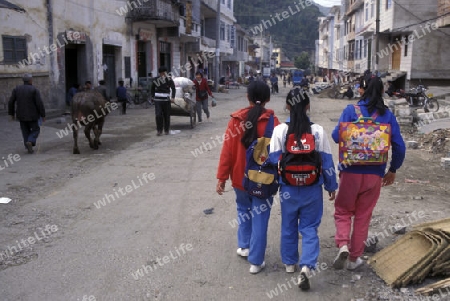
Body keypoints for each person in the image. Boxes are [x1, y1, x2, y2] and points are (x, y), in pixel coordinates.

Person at [331, 77, 406, 271]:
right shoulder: (387, 115)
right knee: (363, 215)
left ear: (362, 90)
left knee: (343, 210)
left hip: (350, 172)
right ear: (382, 92)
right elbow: (399, 147)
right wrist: (393, 169)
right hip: (374, 174)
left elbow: (335, 136)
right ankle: (355, 258)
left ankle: (343, 244)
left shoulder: (350, 111)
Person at [268, 87, 337, 290]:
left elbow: (273, 161)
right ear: (308, 106)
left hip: (288, 188)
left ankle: (290, 263)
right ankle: (307, 266)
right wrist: (331, 186)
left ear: (287, 106)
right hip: (312, 188)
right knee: (309, 228)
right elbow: (326, 162)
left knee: (288, 225)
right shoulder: (317, 131)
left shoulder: (280, 130)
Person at [216, 81, 280, 274]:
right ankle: (256, 261)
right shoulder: (273, 123)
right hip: (263, 179)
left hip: (239, 178)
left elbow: (227, 151)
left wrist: (221, 177)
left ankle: (244, 246)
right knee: (260, 216)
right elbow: (279, 154)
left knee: (243, 209)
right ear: (268, 99)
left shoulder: (236, 120)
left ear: (247, 97)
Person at [8, 74, 46, 154]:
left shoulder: (16, 89)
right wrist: (43, 115)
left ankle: (28, 145)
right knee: (36, 129)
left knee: (25, 131)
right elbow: (39, 103)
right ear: (30, 80)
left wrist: (11, 113)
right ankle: (30, 141)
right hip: (33, 115)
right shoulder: (34, 90)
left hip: (21, 115)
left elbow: (11, 101)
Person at [150, 66, 175, 136]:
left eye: (164, 73)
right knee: (158, 115)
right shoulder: (156, 80)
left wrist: (173, 97)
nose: (163, 74)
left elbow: (173, 88)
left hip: (166, 100)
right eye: (162, 73)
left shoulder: (169, 79)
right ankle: (159, 130)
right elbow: (152, 89)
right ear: (160, 73)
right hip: (158, 100)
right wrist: (152, 96)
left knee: (166, 115)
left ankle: (166, 130)